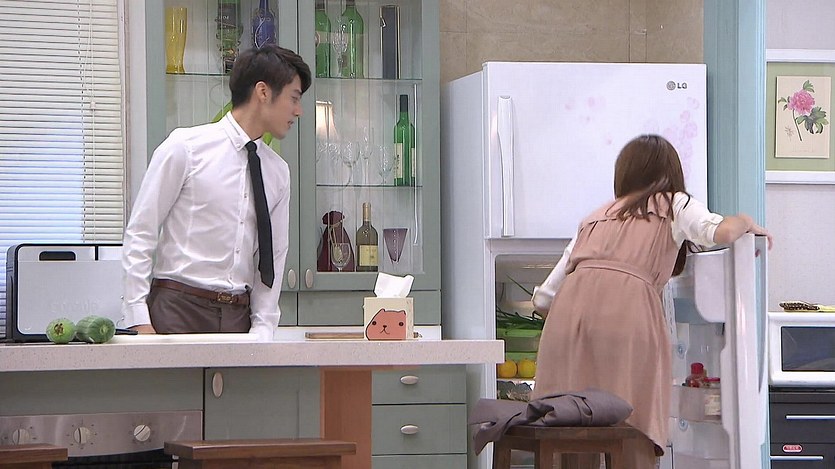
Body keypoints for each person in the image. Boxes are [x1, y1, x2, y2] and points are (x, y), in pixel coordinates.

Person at [530, 134, 772, 468]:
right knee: (632, 421)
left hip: (566, 321)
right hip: (627, 315)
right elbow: (722, 232)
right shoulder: (675, 203)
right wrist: (745, 220)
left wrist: (579, 317)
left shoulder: (595, 217)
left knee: (572, 424)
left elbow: (544, 297)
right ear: (671, 173)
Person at [121, 45, 311, 341]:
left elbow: (273, 256)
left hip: (239, 317)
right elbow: (141, 231)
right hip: (177, 311)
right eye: (294, 98)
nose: (298, 111)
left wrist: (263, 327)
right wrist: (137, 317)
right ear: (263, 92)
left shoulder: (277, 171)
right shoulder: (185, 148)